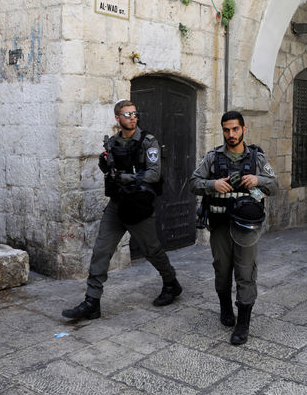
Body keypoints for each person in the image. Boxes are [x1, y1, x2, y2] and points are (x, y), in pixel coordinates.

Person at [62, 100, 182, 320]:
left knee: (152, 250)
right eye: (127, 114)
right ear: (117, 117)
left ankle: (171, 283)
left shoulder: (148, 141)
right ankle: (92, 302)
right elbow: (111, 172)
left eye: (135, 114)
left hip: (139, 205)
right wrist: (106, 167)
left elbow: (154, 173)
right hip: (117, 204)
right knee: (101, 251)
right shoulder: (114, 143)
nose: (132, 118)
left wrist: (123, 177)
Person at [189, 111, 278, 345]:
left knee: (245, 272)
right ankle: (225, 307)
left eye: (235, 129)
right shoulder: (212, 158)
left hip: (247, 227)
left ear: (244, 129)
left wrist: (258, 180)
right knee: (221, 270)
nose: (231, 134)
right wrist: (213, 184)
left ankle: (243, 322)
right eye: (226, 130)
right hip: (219, 224)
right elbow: (193, 183)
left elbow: (275, 185)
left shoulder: (257, 158)